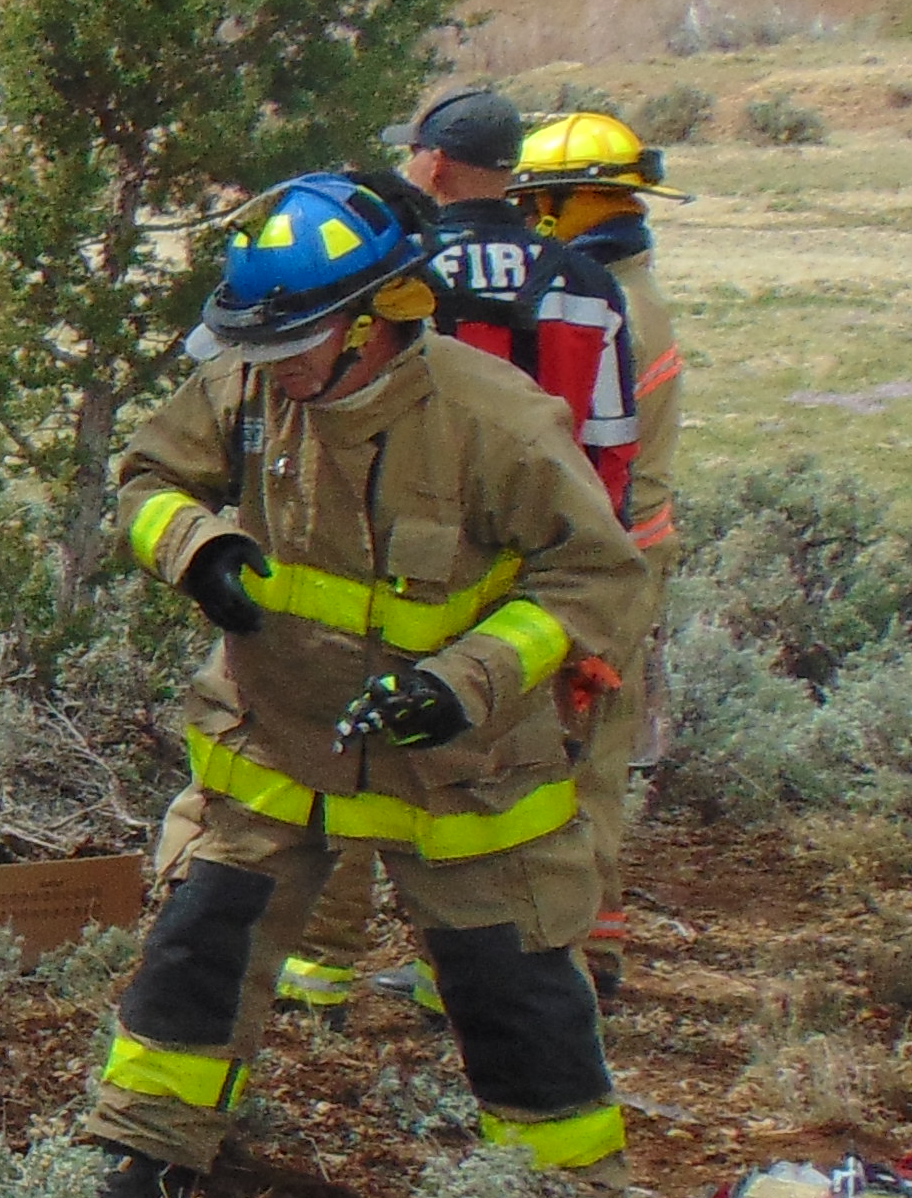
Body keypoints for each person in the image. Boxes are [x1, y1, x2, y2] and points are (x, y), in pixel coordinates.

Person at [75, 171, 649, 1198]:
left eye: (296, 337)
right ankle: (142, 1148)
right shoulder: (248, 388)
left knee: (506, 980)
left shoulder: (494, 424)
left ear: (383, 313)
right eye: (255, 342)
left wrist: (462, 682)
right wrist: (194, 549)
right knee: (204, 942)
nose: (270, 365)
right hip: (277, 736)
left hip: (460, 764)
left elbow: (596, 578)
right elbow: (146, 480)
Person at [274, 83, 641, 1016]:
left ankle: (318, 966)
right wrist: (584, 578)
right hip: (539, 557)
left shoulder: (403, 272)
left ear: (432, 164)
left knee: (350, 740)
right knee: (516, 772)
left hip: (410, 542)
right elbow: (609, 445)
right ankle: (482, 967)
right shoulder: (585, 286)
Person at [514, 106, 687, 991]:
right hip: (625, 553)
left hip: (607, 564)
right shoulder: (626, 290)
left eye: (544, 202)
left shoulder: (612, 307)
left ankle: (580, 954)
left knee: (579, 754)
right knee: (591, 749)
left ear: (583, 202)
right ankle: (586, 943)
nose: (532, 220)